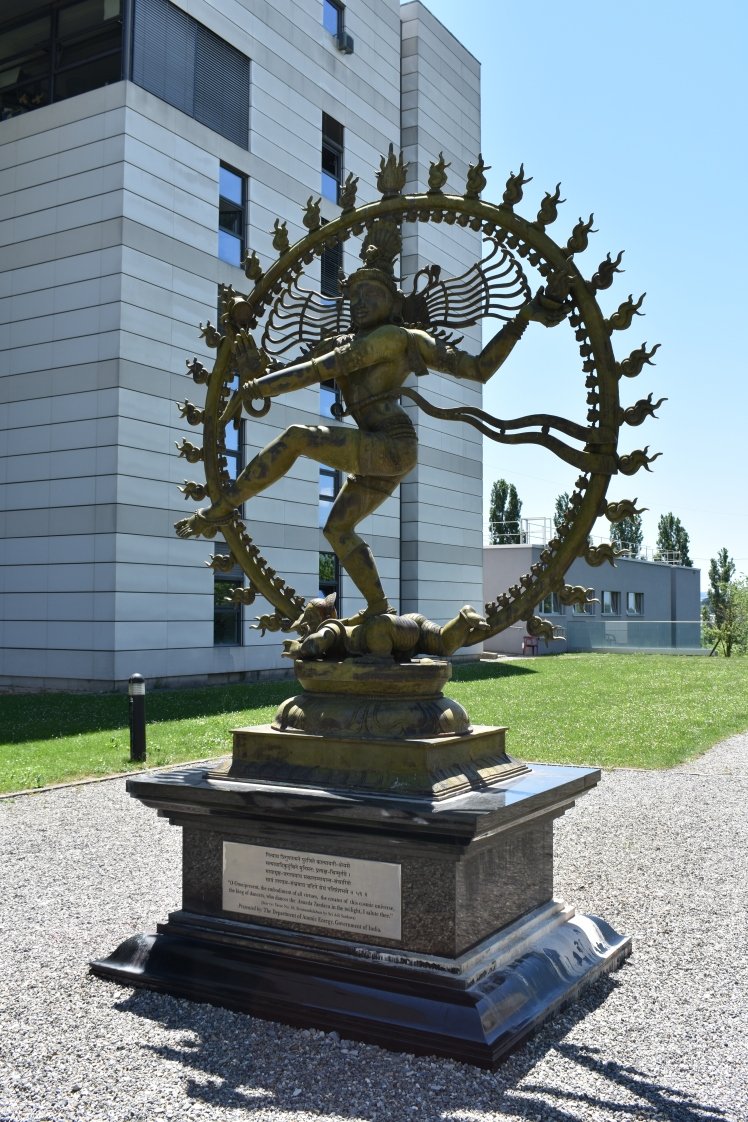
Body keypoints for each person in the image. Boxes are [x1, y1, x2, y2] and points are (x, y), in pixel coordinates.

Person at [175, 246, 566, 621]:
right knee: (338, 528)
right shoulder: (346, 342)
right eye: (355, 295)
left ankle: (225, 506)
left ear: (394, 303)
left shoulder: (394, 338)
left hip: (392, 444)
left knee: (297, 437)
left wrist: (522, 318)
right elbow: (296, 366)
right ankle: (380, 608)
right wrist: (257, 372)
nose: (360, 302)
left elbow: (478, 368)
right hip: (384, 456)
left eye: (371, 294)